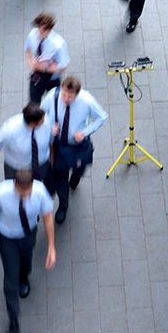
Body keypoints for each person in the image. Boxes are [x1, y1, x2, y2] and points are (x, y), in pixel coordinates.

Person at [0, 168, 56, 333]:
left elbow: (47, 218)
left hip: (28, 234)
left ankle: (24, 278)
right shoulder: (1, 193)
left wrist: (51, 246)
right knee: (10, 278)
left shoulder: (39, 192)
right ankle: (14, 321)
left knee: (26, 261)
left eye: (27, 193)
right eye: (21, 194)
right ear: (14, 185)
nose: (24, 197)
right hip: (7, 237)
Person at [42, 77, 107, 224]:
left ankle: (76, 176)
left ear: (77, 94)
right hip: (59, 145)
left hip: (78, 145)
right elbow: (41, 113)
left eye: (70, 96)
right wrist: (48, 127)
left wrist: (85, 132)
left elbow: (102, 117)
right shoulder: (53, 96)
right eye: (64, 94)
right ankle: (63, 206)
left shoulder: (87, 101)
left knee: (78, 169)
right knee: (61, 177)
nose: (65, 98)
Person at [0, 103, 52, 183]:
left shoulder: (46, 122)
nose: (44, 121)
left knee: (38, 183)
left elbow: (50, 140)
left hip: (40, 164)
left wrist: (52, 157)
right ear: (32, 124)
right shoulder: (10, 130)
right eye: (41, 121)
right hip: (16, 168)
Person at [25, 12, 70, 104]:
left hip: (52, 80)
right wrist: (31, 63)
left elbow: (63, 67)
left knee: (54, 105)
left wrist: (44, 68)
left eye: (43, 31)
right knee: (33, 106)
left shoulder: (58, 45)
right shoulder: (32, 36)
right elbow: (28, 49)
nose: (39, 33)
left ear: (50, 30)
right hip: (36, 78)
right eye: (39, 28)